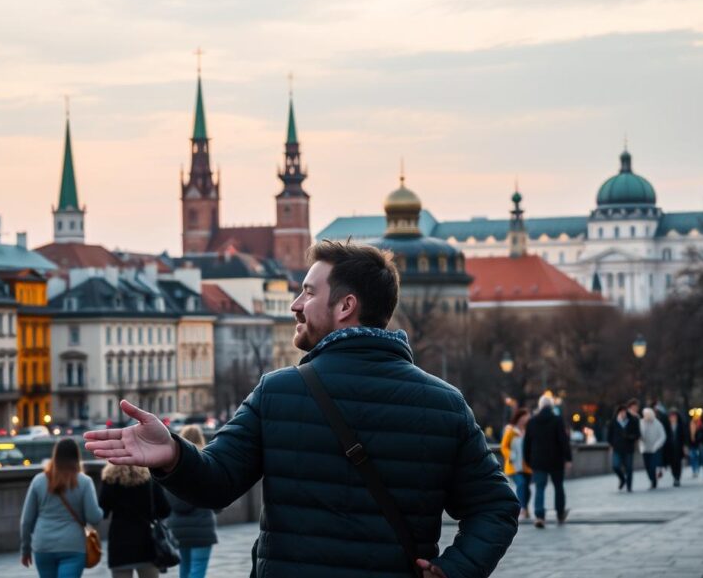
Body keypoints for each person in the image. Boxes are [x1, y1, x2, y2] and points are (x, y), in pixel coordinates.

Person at [85, 240, 520, 578]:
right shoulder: (443, 402)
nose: (295, 304)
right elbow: (497, 507)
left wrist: (176, 456)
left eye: (308, 293)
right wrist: (456, 569)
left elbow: (216, 485)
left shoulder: (281, 391)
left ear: (346, 307)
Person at [20, 438, 103, 578]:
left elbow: (26, 521)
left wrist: (25, 550)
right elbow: (93, 517)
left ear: (55, 455)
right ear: (77, 456)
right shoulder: (84, 482)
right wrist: (101, 511)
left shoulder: (39, 480)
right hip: (73, 545)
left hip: (43, 545)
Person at [99, 459, 172, 578]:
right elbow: (165, 510)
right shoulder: (149, 479)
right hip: (147, 543)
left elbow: (103, 512)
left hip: (119, 544)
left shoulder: (109, 480)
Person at [166, 425, 218, 578]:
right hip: (202, 526)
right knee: (198, 569)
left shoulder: (172, 463)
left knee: (185, 568)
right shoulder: (206, 460)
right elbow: (217, 494)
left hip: (178, 527)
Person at [523, 395, 572, 528]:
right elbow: (563, 441)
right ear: (551, 407)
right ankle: (560, 514)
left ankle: (539, 516)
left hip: (538, 461)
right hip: (556, 460)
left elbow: (527, 443)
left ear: (540, 406)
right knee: (558, 487)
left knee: (539, 488)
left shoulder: (532, 422)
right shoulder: (557, 420)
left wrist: (527, 460)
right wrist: (568, 458)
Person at [500, 408, 532, 520]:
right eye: (524, 418)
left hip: (527, 465)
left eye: (527, 418)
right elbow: (504, 446)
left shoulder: (529, 430)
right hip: (514, 465)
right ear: (519, 418)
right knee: (521, 484)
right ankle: (522, 508)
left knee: (527, 488)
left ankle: (525, 507)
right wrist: (510, 454)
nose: (525, 420)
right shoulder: (510, 431)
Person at [606, 405, 640, 492]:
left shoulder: (632, 421)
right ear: (618, 412)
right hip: (617, 448)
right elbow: (609, 435)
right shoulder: (613, 422)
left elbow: (637, 434)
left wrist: (629, 437)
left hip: (628, 448)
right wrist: (611, 445)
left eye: (624, 412)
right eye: (621, 412)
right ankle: (622, 479)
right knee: (615, 466)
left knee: (629, 468)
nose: (623, 413)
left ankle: (629, 487)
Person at [639, 408, 666, 489]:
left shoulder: (657, 423)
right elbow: (641, 435)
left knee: (652, 466)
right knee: (647, 466)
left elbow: (663, 436)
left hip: (654, 449)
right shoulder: (641, 423)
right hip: (645, 449)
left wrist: (657, 445)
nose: (646, 417)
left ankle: (654, 481)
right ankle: (652, 479)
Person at [663, 409, 689, 487]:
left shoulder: (681, 426)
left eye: (674, 417)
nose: (672, 418)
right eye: (671, 417)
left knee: (678, 463)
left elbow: (685, 436)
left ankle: (677, 477)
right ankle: (675, 476)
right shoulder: (667, 426)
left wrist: (685, 446)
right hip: (670, 448)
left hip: (679, 447)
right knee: (672, 464)